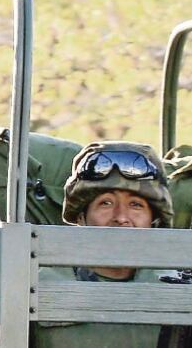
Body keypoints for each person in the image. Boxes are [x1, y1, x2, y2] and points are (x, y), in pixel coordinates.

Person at [33, 142, 188, 348]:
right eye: (105, 203)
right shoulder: (36, 284)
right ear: (81, 216)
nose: (121, 217)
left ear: (154, 219)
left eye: (136, 205)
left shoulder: (179, 289)